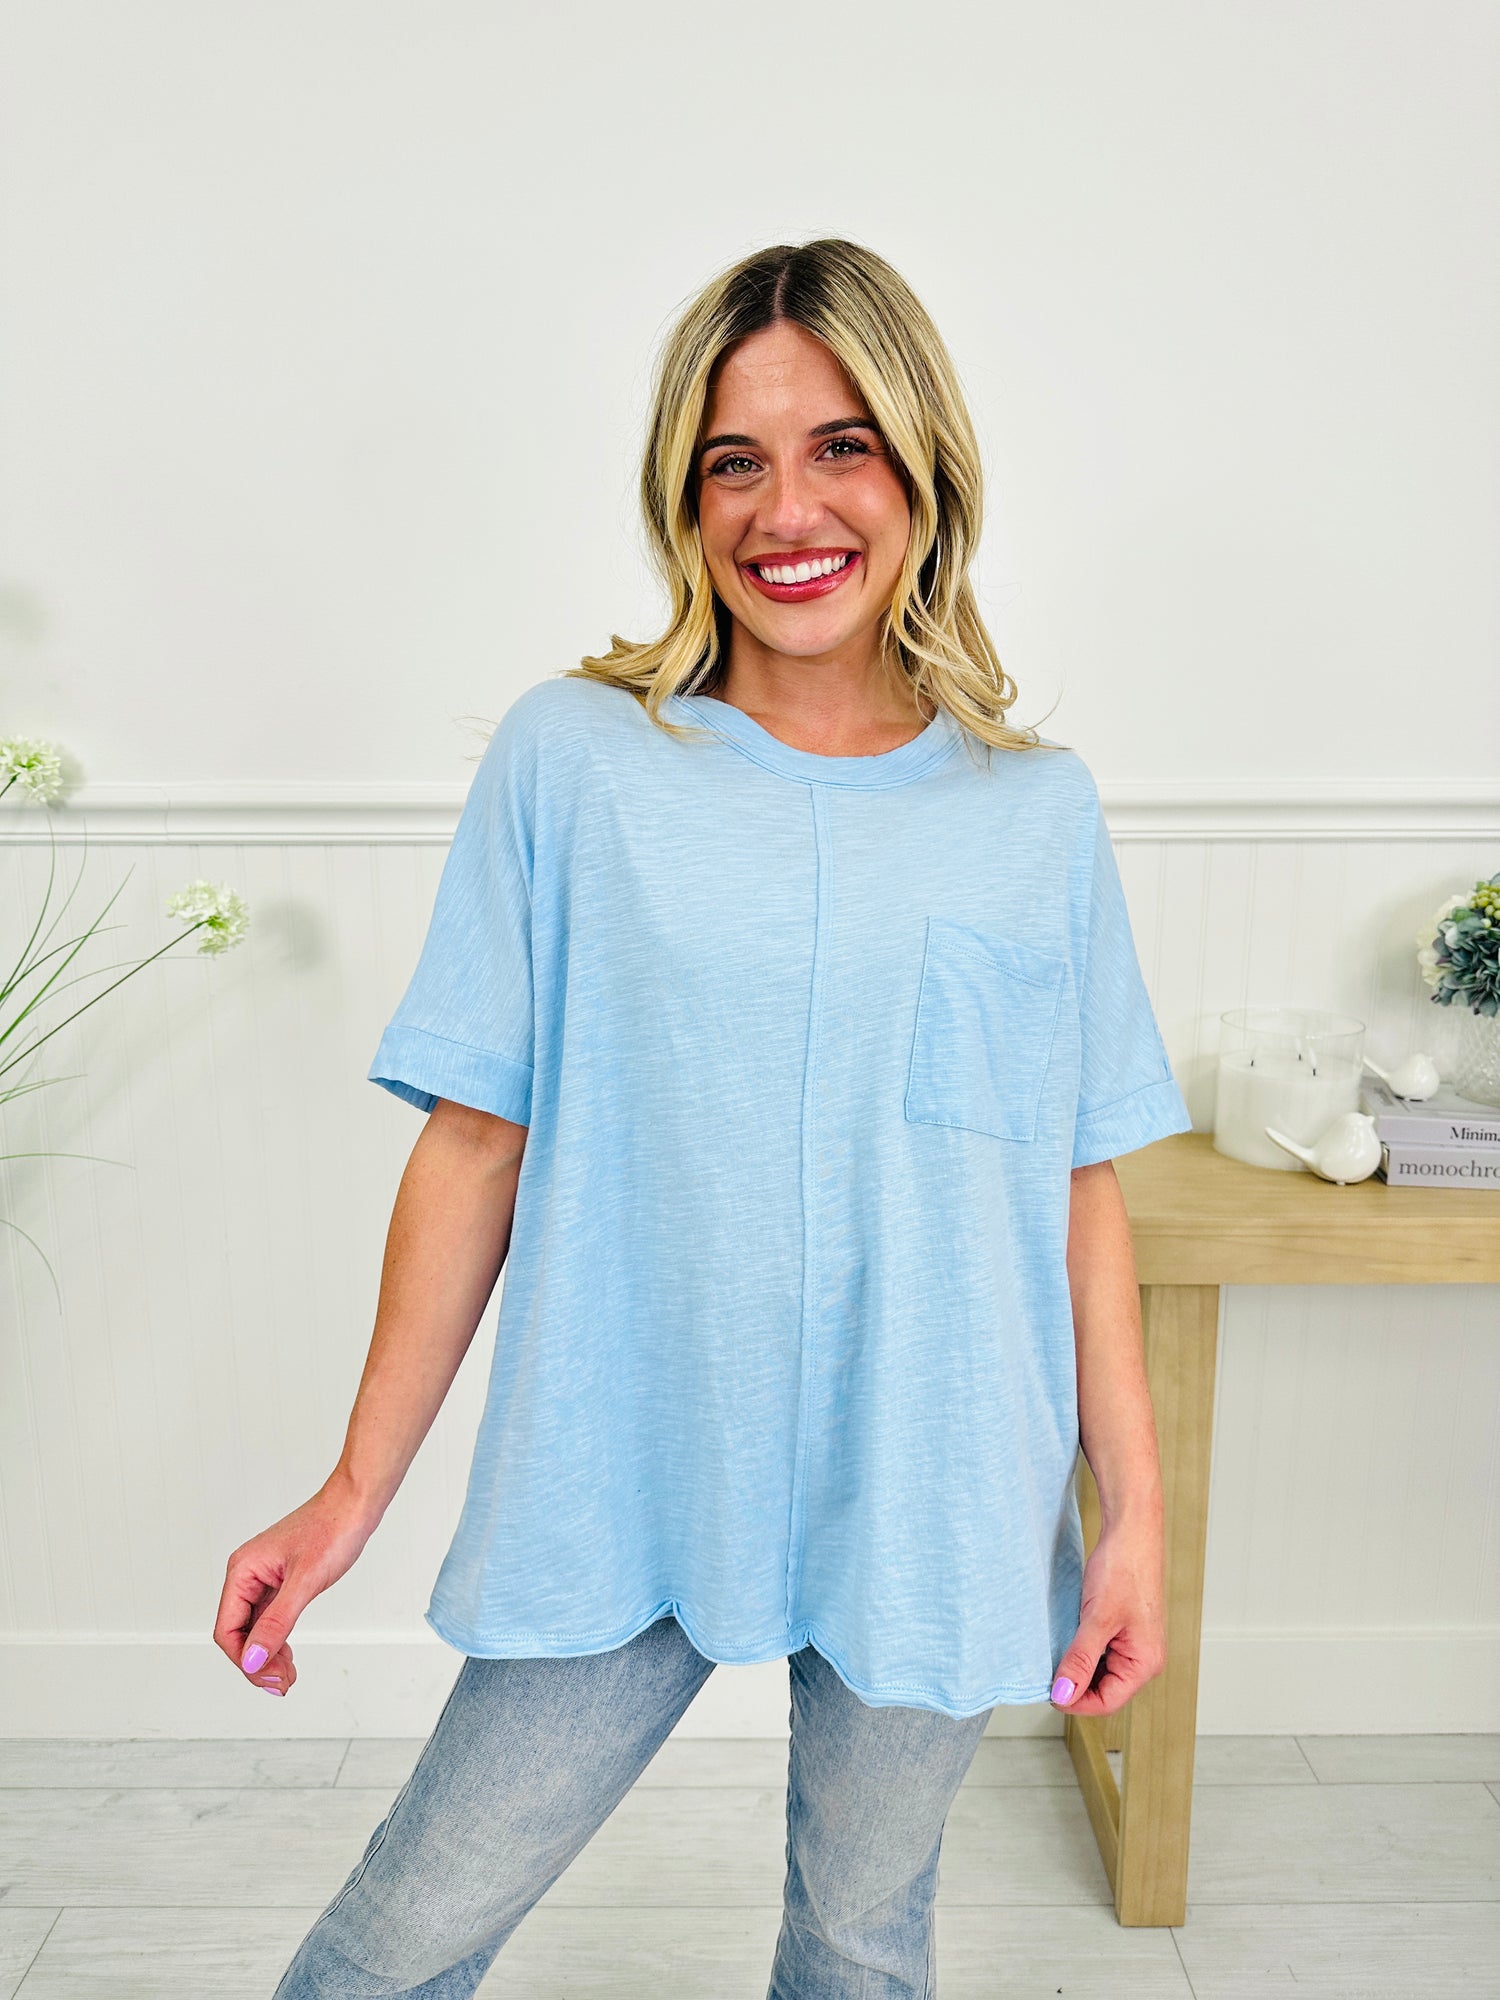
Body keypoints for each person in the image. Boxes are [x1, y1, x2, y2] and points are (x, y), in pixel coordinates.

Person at [218, 236, 1193, 1999]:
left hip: (935, 1477)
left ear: (924, 471)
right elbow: (476, 1142)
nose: (785, 508)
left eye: (842, 447)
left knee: (861, 1947)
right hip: (631, 1456)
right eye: (734, 460)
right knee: (396, 1943)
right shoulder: (575, 762)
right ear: (684, 496)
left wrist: (1133, 1517)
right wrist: (351, 1493)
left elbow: (1076, 1185)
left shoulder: (1034, 813)